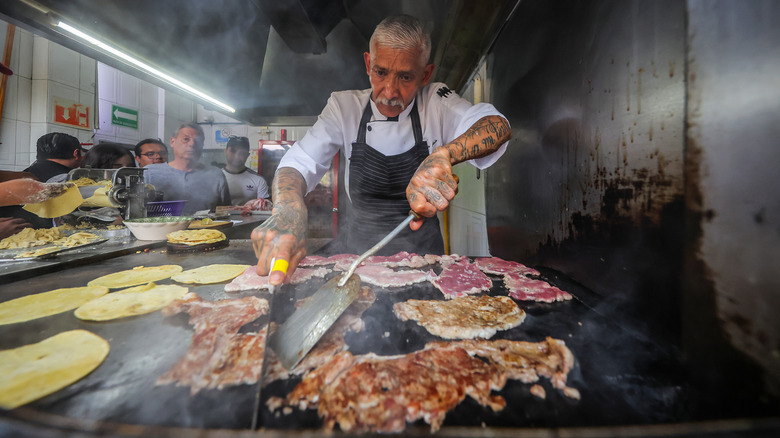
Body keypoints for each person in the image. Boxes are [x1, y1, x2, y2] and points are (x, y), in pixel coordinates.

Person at [252, 14, 511, 286]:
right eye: (381, 72)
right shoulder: (344, 107)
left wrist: (445, 155)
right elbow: (298, 162)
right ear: (368, 64)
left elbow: (497, 126)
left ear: (425, 74)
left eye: (405, 77)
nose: (390, 91)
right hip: (357, 254)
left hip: (423, 259)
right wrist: (287, 209)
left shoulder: (436, 102)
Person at [143, 123, 230, 215]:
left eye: (198, 141)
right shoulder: (149, 173)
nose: (192, 144)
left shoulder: (215, 175)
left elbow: (224, 212)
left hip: (205, 228)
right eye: (186, 139)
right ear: (172, 142)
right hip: (160, 229)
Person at [221, 136, 269, 206]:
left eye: (242, 153)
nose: (236, 156)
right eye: (233, 151)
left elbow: (264, 207)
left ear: (247, 155)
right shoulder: (215, 178)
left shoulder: (258, 180)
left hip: (249, 216)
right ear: (225, 151)